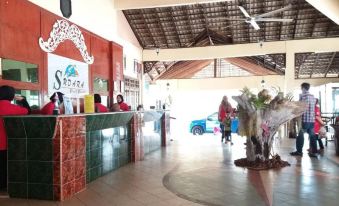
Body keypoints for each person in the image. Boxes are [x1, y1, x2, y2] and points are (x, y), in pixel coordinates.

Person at [0, 85, 30, 190]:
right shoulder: (13, 108)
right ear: (12, 96)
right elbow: (27, 111)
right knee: (4, 167)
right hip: (5, 144)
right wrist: (23, 100)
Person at [290, 82, 317, 157]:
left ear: (303, 88)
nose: (301, 90)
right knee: (312, 136)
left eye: (301, 88)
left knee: (300, 136)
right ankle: (314, 152)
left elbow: (300, 108)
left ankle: (299, 151)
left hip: (304, 120)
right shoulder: (313, 97)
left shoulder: (303, 96)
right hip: (312, 120)